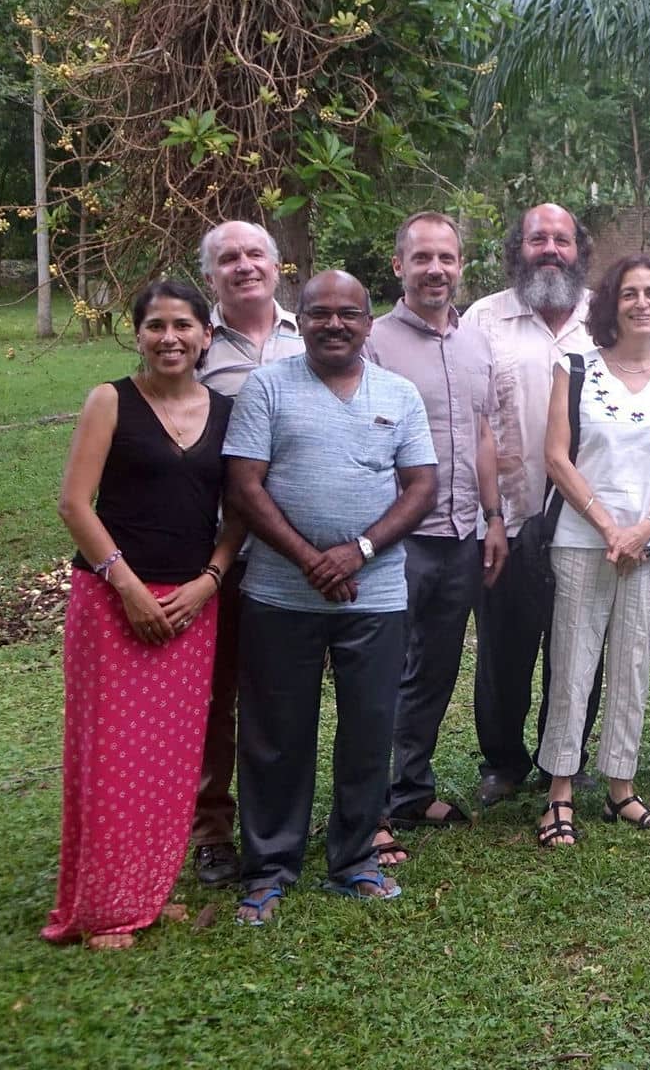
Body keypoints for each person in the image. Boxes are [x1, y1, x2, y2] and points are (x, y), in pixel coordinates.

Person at [223, 270, 437, 923]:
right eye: (320, 313)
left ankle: (354, 859)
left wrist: (358, 551)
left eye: (349, 314)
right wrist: (310, 559)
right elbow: (244, 485)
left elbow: (421, 487)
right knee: (274, 734)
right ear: (302, 319)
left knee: (369, 729)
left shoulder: (398, 393)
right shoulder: (266, 387)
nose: (335, 324)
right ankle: (269, 867)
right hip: (279, 593)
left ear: (369, 323)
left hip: (375, 595)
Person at [43, 282, 244, 949]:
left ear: (207, 336)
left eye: (183, 325)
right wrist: (126, 585)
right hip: (111, 603)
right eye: (155, 325)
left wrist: (210, 581)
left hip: (190, 606)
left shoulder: (227, 411)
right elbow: (74, 503)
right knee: (111, 759)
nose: (169, 337)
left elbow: (239, 512)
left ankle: (146, 890)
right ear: (138, 335)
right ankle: (104, 907)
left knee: (170, 760)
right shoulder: (110, 400)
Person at [536, 255, 650, 845]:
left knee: (634, 665)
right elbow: (557, 457)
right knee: (572, 664)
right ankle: (559, 791)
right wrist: (610, 528)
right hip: (585, 542)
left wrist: (644, 529)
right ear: (611, 304)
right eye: (629, 293)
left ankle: (620, 788)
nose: (641, 303)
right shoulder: (576, 367)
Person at [362, 213, 507, 861]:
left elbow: (483, 436)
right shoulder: (373, 343)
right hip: (397, 538)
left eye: (446, 258)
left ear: (460, 265)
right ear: (399, 266)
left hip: (460, 537)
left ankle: (411, 789)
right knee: (381, 672)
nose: (435, 270)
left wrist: (494, 518)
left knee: (435, 670)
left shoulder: (476, 342)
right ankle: (368, 808)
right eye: (422, 258)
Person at [463, 204, 599, 806]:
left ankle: (565, 756)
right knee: (504, 647)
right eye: (537, 239)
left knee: (580, 643)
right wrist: (490, 514)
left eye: (561, 240)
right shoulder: (483, 319)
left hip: (587, 516)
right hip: (508, 514)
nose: (550, 249)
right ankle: (503, 762)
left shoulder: (606, 317)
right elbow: (473, 421)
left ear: (579, 250)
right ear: (517, 249)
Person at [190, 220, 305, 889]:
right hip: (223, 552)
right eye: (227, 258)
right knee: (218, 696)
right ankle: (212, 830)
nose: (243, 266)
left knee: (283, 693)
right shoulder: (195, 345)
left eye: (254, 253)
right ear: (211, 276)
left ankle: (278, 820)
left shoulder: (309, 336)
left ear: (276, 264)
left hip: (302, 552)